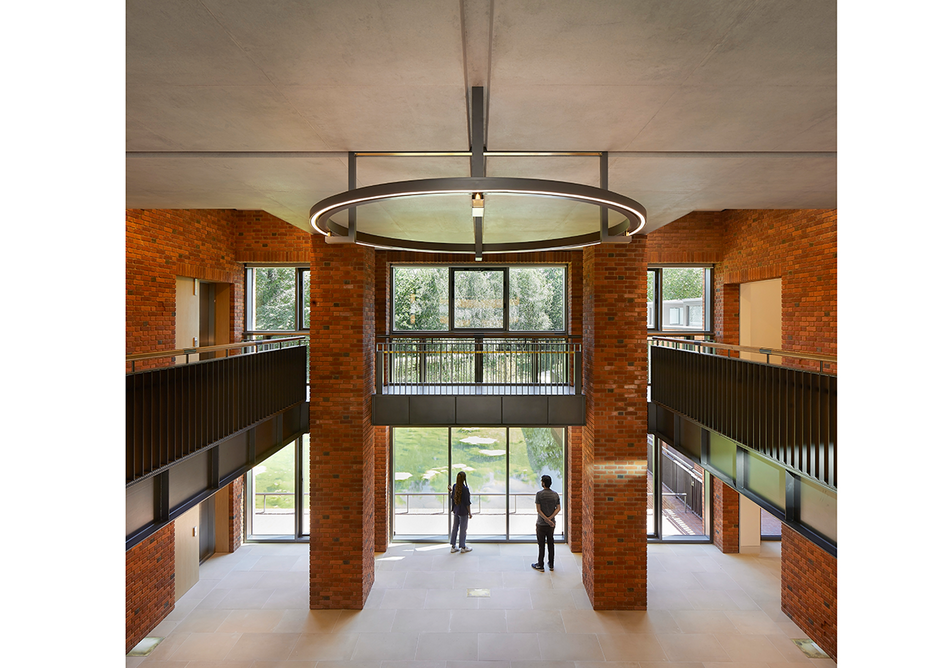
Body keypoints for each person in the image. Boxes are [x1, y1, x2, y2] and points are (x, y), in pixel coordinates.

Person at [532, 474, 560, 572]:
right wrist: (550, 519)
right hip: (551, 525)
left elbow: (538, 510)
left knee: (541, 544)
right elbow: (558, 508)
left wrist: (545, 519)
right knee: (551, 543)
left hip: (541, 523)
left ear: (543, 483)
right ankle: (551, 564)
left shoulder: (539, 494)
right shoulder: (555, 494)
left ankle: (540, 564)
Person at [448, 470, 473, 553]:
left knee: (455, 528)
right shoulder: (465, 489)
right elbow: (467, 503)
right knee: (463, 529)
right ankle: (463, 547)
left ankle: (453, 546)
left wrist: (451, 490)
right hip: (463, 512)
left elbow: (454, 497)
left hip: (456, 511)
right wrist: (469, 513)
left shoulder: (455, 486)